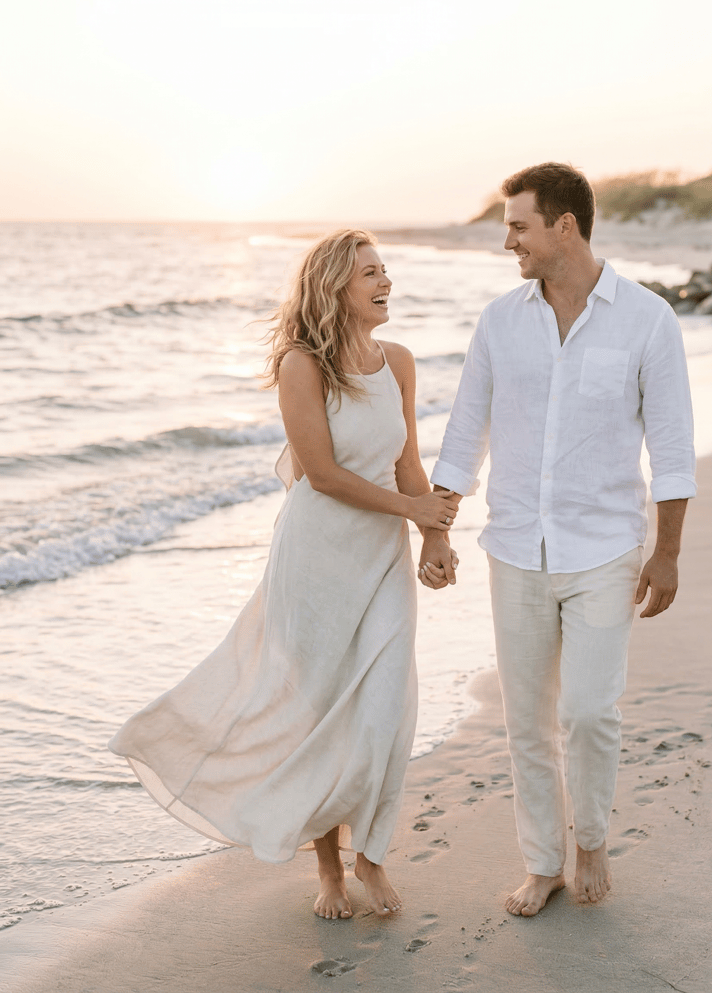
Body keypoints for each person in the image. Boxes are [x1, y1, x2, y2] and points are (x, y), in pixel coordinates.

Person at [110, 229, 459, 920]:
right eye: (369, 273)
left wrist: (434, 534)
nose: (385, 281)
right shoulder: (303, 366)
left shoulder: (399, 362)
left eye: (385, 269)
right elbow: (323, 477)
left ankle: (373, 855)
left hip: (382, 556)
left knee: (386, 709)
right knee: (317, 712)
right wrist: (412, 507)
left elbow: (407, 461)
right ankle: (330, 870)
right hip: (317, 561)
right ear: (334, 288)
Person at [418, 163, 696, 916]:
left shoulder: (647, 319)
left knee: (589, 711)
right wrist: (437, 530)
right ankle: (543, 859)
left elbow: (671, 447)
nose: (508, 240)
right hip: (514, 549)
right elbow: (462, 435)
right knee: (527, 721)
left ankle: (592, 837)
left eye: (518, 226)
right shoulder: (499, 322)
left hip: (606, 548)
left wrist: (666, 550)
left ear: (563, 226)